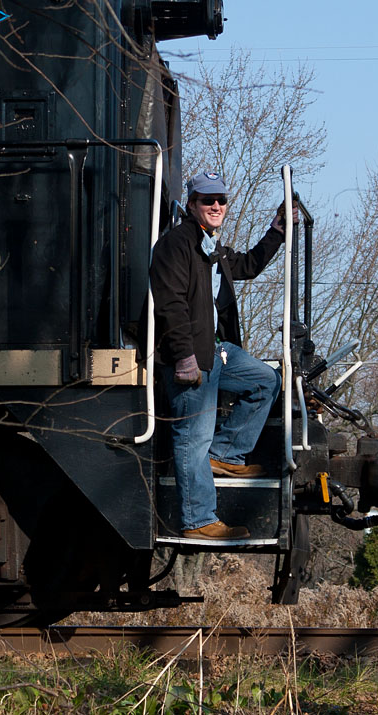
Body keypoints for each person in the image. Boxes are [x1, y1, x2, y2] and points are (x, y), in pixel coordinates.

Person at [149, 171, 289, 540]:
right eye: (207, 200)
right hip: (189, 356)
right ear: (192, 204)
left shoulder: (210, 245)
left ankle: (226, 454)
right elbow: (170, 304)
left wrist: (276, 233)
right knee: (192, 438)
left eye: (221, 200)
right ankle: (198, 521)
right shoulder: (175, 244)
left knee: (265, 380)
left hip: (214, 351)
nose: (215, 206)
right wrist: (183, 357)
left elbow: (248, 266)